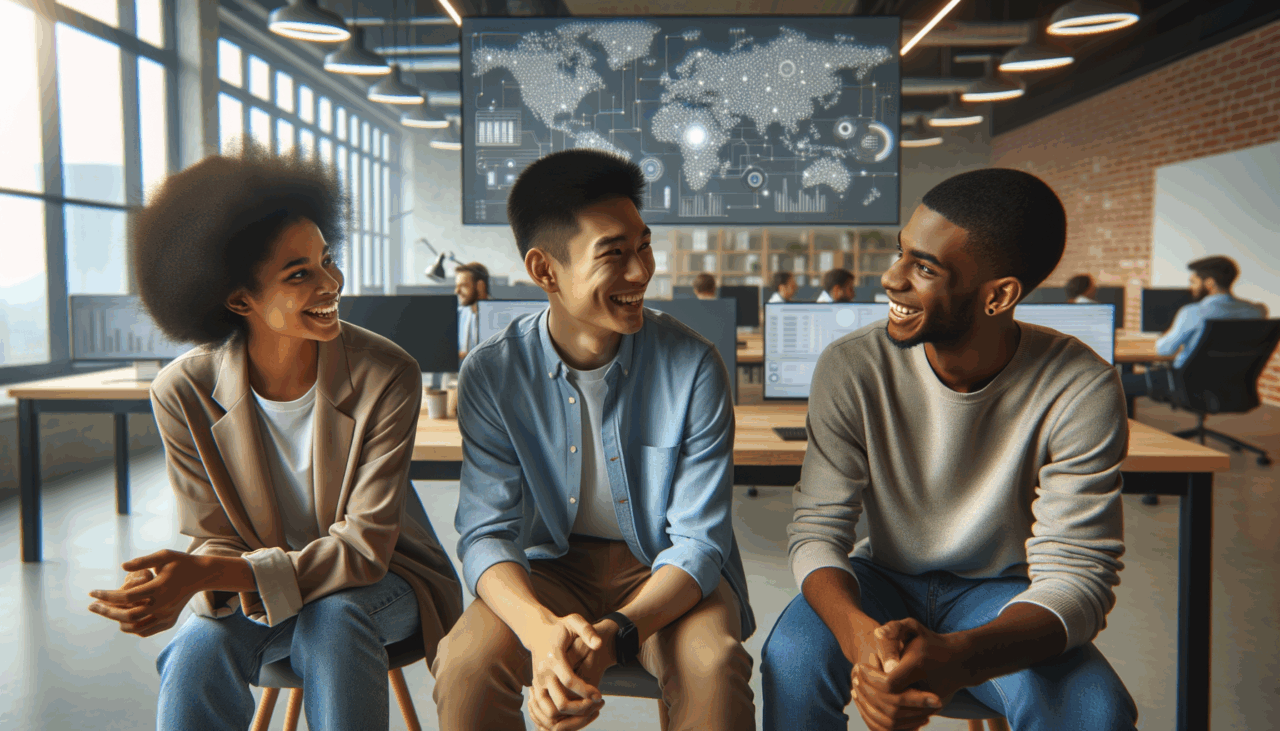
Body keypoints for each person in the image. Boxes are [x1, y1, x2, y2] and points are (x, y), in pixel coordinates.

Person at [86, 144, 464, 731]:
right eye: (300, 274)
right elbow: (216, 537)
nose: (331, 282)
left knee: (333, 620)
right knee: (195, 648)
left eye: (327, 259)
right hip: (261, 590)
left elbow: (364, 551)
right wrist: (174, 584)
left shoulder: (387, 374)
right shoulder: (182, 391)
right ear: (240, 299)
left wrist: (208, 575)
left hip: (387, 582)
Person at [761, 168, 1138, 731]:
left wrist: (961, 657)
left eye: (924, 267)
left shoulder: (1080, 385)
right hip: (881, 576)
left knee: (1094, 711)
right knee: (791, 659)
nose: (890, 279)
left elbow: (1078, 576)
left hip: (1004, 590)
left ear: (999, 296)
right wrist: (862, 641)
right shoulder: (852, 366)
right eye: (900, 253)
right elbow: (818, 529)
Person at [431, 149, 756, 731]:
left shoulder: (694, 367)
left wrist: (618, 632)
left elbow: (701, 541)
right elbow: (486, 532)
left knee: (715, 663)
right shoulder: (494, 372)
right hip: (550, 568)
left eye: (643, 246)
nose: (640, 272)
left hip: (665, 568)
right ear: (544, 269)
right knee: (464, 663)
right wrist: (539, 633)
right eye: (614, 254)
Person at [1121, 255, 1263, 401]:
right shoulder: (1255, 312)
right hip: (1234, 383)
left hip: (1187, 382)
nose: (1191, 288)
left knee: (1116, 384)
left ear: (1209, 283)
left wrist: (1167, 335)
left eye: (1193, 282)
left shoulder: (1193, 312)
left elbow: (1165, 349)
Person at [456, 261, 491, 361]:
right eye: (457, 286)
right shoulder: (459, 314)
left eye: (463, 286)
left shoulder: (499, 314)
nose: (457, 291)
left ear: (480, 286)